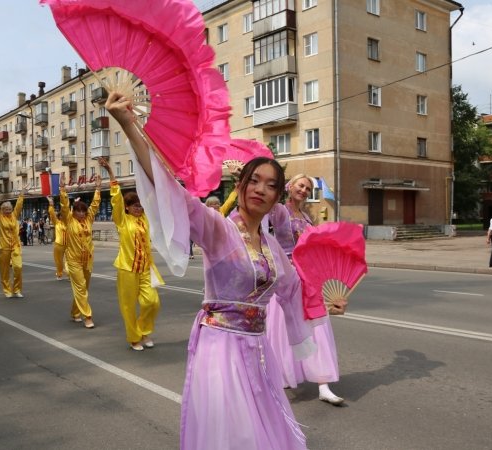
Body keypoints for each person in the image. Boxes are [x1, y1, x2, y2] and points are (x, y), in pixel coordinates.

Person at [107, 91, 316, 449]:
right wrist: (128, 124)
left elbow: (294, 289)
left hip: (257, 349)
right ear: (241, 184)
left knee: (262, 424)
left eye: (271, 185)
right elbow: (171, 191)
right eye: (254, 180)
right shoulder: (220, 230)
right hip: (219, 346)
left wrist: (327, 304)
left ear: (278, 197)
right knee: (235, 430)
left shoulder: (273, 250)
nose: (261, 189)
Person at [266, 173, 344, 406]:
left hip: (308, 278)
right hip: (285, 278)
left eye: (308, 189)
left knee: (317, 329)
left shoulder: (308, 217)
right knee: (281, 331)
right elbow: (262, 212)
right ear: (290, 186)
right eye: (301, 185)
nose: (304, 190)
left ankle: (323, 384)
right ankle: (280, 379)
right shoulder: (279, 211)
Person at [100, 157, 163, 351]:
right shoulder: (122, 220)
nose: (139, 208)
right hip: (127, 268)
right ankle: (134, 338)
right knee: (128, 306)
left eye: (140, 206)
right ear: (127, 207)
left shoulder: (144, 219)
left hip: (144, 268)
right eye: (135, 206)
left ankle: (144, 330)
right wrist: (111, 174)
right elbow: (116, 198)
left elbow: (151, 194)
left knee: (152, 302)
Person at [52, 173, 101, 329]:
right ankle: (88, 316)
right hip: (73, 260)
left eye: (83, 211)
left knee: (83, 289)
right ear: (74, 212)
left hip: (88, 260)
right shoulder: (69, 220)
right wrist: (62, 188)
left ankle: (75, 312)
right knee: (80, 287)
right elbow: (65, 206)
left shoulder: (89, 219)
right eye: (78, 211)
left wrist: (98, 188)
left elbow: (95, 204)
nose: (81, 213)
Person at [0, 187, 26, 298]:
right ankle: (7, 290)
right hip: (3, 247)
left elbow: (19, 205)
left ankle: (17, 289)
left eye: (9, 209)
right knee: (4, 271)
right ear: (2, 210)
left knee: (18, 267)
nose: (8, 211)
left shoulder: (14, 216)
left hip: (15, 246)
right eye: (6, 209)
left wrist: (22, 193)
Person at [48, 197, 68, 280]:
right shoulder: (56, 223)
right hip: (58, 245)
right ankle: (59, 274)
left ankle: (70, 273)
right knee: (59, 262)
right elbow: (52, 214)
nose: (62, 217)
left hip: (68, 246)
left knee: (69, 261)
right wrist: (51, 205)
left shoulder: (68, 223)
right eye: (61, 216)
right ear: (59, 217)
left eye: (63, 216)